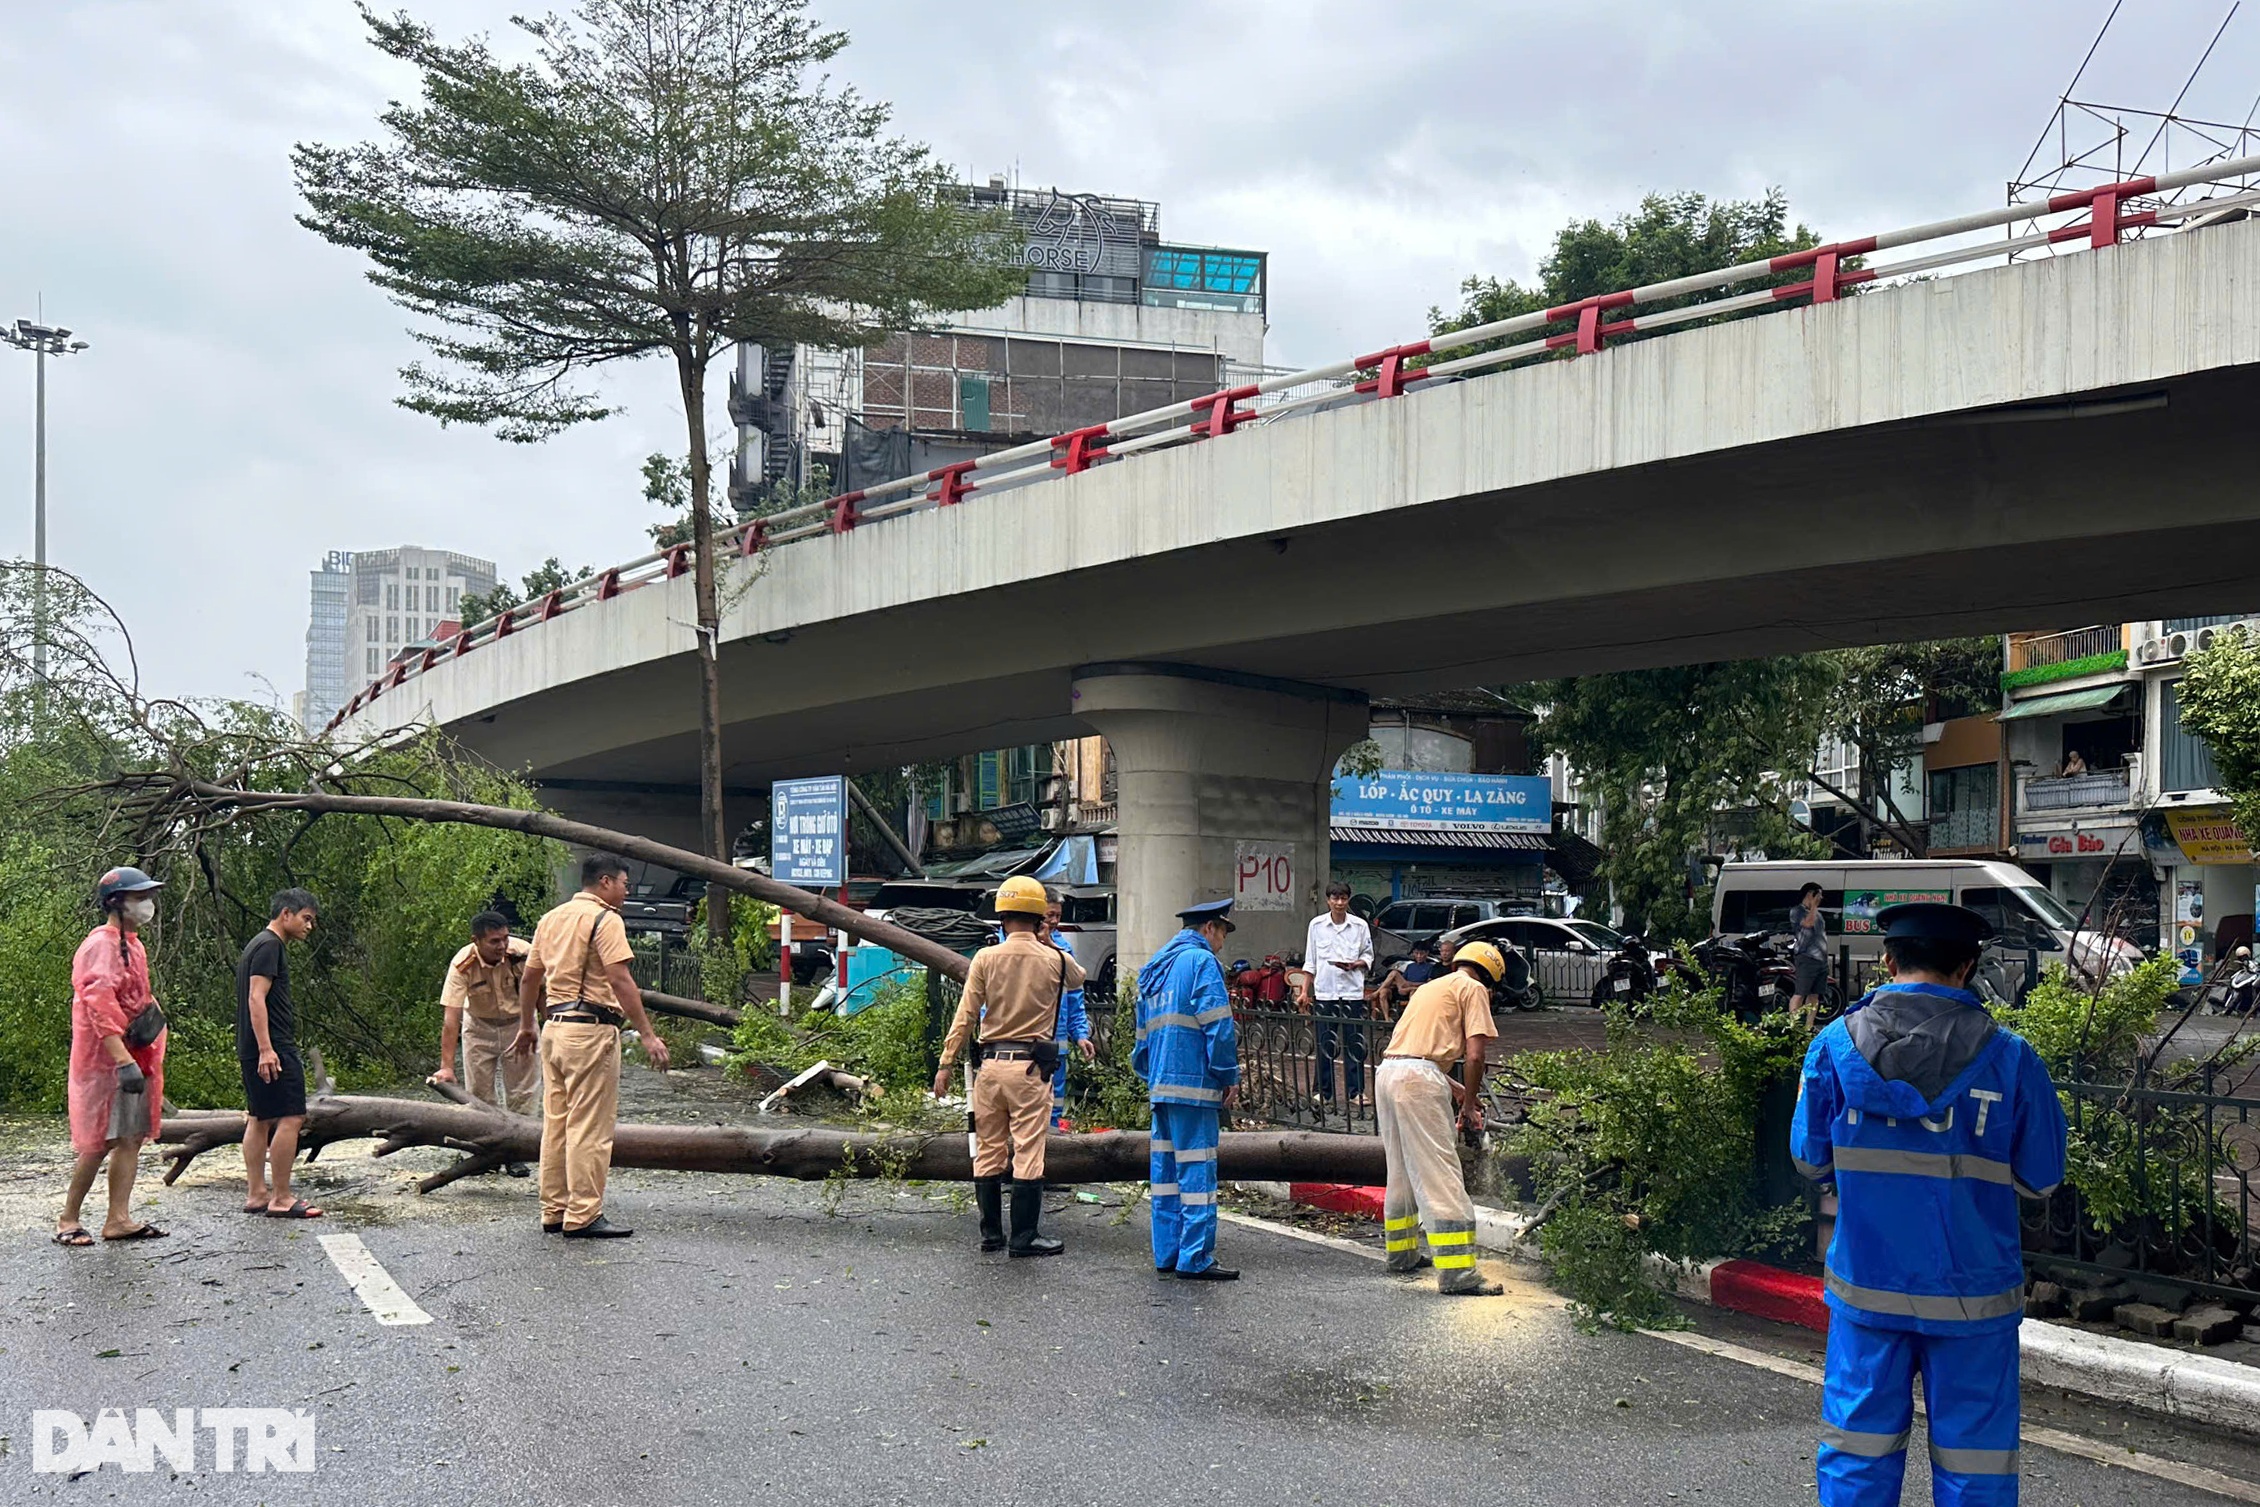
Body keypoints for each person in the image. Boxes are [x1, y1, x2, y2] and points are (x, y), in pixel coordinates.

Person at [1791, 902, 2067, 1507]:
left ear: (1887, 961)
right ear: (1967, 966)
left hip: (1868, 1294)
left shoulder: (1833, 1048)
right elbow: (2041, 1178)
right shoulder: (2012, 1057)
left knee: (1857, 1455)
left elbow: (1810, 1162)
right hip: (1973, 1299)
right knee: (1977, 1462)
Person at [512, 855, 672, 1239]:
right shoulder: (605, 919)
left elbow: (530, 978)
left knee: (557, 1125)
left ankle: (555, 1209)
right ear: (604, 882)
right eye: (623, 884)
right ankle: (583, 1213)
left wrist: (526, 1025)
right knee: (590, 1128)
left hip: (554, 1029)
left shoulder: (550, 919)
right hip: (590, 1031)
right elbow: (620, 979)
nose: (626, 891)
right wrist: (648, 1034)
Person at [931, 875, 1084, 1257]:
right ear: (1039, 919)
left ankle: (990, 1235)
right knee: (1029, 1151)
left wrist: (946, 1063)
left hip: (991, 1068)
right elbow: (1078, 979)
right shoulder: (1054, 960)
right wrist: (1049, 943)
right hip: (1031, 1071)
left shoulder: (985, 958)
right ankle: (1023, 1238)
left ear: (1001, 919)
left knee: (988, 1150)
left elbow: (965, 1016)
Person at [1375, 940, 1507, 1297]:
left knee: (1400, 1170)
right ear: (1491, 976)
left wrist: (1454, 1088)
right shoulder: (1474, 989)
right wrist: (1470, 1102)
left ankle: (1401, 1255)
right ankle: (1458, 1272)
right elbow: (1476, 1056)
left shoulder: (1431, 988)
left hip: (1388, 1072)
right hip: (1418, 1080)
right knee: (1441, 1174)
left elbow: (1414, 1052)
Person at [57, 866, 170, 1246]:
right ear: (116, 902)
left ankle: (118, 1219)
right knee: (98, 1141)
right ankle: (67, 1220)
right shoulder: (98, 946)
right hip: (104, 1061)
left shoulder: (133, 944)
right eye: (139, 897)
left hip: (135, 1054)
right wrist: (122, 1060)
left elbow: (137, 997)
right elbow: (99, 1006)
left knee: (130, 1137)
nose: (147, 904)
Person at [1134, 897, 1241, 1281]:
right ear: (1209, 928)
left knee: (1164, 1176)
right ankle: (1194, 1258)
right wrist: (1228, 1074)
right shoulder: (1201, 963)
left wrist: (1153, 1076)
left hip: (1161, 1085)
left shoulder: (1154, 969)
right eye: (1223, 932)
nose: (1223, 942)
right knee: (1197, 1175)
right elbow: (1218, 1024)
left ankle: (1168, 1252)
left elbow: (1141, 1039)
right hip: (1194, 1087)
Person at [237, 889, 323, 1219]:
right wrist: (267, 1049)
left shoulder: (258, 944)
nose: (309, 926)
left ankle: (257, 1193)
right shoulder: (270, 945)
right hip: (271, 1047)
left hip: (255, 1046)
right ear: (285, 914)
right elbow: (256, 999)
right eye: (306, 918)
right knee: (291, 1116)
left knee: (260, 1118)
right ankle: (282, 1197)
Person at [433, 910, 536, 1174]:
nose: (502, 946)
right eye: (494, 941)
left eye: (504, 938)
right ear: (476, 940)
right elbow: (451, 1017)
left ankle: (517, 1151)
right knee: (479, 1093)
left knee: (522, 1092)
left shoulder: (522, 952)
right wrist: (446, 1066)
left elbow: (543, 990)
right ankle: (486, 1151)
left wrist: (543, 1027)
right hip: (480, 1027)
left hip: (519, 1024)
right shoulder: (462, 964)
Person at [1305, 882, 1373, 1114]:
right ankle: (1323, 1092)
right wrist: (1305, 991)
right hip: (1325, 992)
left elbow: (1368, 955)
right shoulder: (1316, 925)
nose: (1340, 903)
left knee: (1354, 1044)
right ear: (1328, 900)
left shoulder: (1360, 926)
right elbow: (1310, 961)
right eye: (1335, 898)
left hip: (1352, 992)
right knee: (1325, 1043)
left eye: (1343, 898)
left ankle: (1356, 1092)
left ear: (1348, 900)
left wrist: (1356, 964)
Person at [1041, 893, 1097, 1129]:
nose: (1054, 921)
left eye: (1058, 916)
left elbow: (1074, 997)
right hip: (1027, 1044)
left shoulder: (1063, 948)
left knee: (1055, 1103)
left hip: (1057, 1043)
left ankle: (1052, 1150)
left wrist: (1081, 1034)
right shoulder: (1011, 945)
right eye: (1049, 915)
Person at [1789, 882, 1830, 1032]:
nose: (1820, 898)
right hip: (1806, 957)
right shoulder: (1797, 911)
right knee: (1800, 993)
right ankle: (1793, 1026)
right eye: (1818, 895)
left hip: (1820, 959)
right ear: (1809, 894)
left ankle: (1809, 1026)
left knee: (1815, 994)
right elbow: (1807, 924)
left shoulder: (1818, 914)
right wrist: (1813, 906)